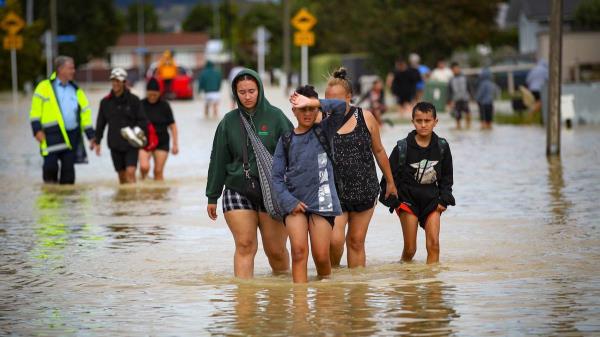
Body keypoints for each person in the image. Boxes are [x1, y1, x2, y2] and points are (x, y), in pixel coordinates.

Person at [206, 68, 291, 279]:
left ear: (260, 90)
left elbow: (295, 154)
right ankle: (244, 303)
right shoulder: (228, 122)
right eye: (242, 92)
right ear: (235, 93)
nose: (247, 96)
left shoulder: (276, 117)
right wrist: (212, 196)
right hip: (237, 189)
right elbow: (218, 160)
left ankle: (280, 300)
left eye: (251, 91)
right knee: (245, 245)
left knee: (276, 251)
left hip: (272, 189)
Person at [272, 86, 346, 283]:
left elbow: (341, 107)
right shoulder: (286, 140)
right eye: (302, 109)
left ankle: (326, 298)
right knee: (298, 252)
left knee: (321, 257)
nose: (307, 113)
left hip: (323, 202)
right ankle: (300, 304)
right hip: (295, 204)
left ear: (318, 109)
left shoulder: (325, 131)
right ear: (293, 111)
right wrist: (289, 201)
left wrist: (313, 102)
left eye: (311, 109)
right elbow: (276, 178)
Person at [325, 68, 398, 269]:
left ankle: (358, 292)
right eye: (327, 99)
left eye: (337, 99)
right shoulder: (320, 121)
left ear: (349, 97)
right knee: (334, 240)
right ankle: (334, 277)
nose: (332, 104)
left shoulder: (366, 117)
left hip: (365, 190)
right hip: (334, 193)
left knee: (356, 241)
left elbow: (380, 150)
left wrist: (390, 181)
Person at [380, 102, 455, 264]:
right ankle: (406, 282)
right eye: (419, 120)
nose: (423, 125)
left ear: (436, 121)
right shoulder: (402, 147)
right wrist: (394, 202)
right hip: (408, 200)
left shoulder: (442, 147)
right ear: (413, 121)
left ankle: (433, 285)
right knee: (410, 249)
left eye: (427, 121)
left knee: (434, 244)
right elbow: (388, 178)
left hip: (432, 200)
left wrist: (444, 199)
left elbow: (447, 178)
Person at [29, 56, 96, 184]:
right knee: (50, 170)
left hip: (71, 137)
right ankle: (50, 199)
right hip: (50, 136)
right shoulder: (44, 87)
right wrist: (36, 130)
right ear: (60, 69)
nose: (73, 71)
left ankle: (68, 203)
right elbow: (35, 111)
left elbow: (85, 115)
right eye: (70, 68)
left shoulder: (77, 91)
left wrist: (91, 136)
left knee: (68, 177)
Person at [93, 68, 148, 184]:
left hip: (131, 144)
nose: (115, 83)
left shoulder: (134, 100)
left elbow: (143, 121)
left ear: (124, 82)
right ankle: (123, 200)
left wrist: (136, 134)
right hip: (114, 144)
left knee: (131, 172)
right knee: (122, 177)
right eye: (113, 81)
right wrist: (97, 141)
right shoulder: (105, 102)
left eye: (118, 81)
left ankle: (132, 201)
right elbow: (100, 123)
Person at [139, 78, 179, 180]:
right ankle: (143, 190)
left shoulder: (165, 105)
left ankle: (159, 195)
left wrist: (175, 144)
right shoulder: (140, 105)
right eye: (150, 94)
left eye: (155, 94)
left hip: (162, 142)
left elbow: (172, 126)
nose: (152, 97)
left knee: (158, 171)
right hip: (144, 142)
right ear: (146, 92)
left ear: (159, 93)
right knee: (144, 167)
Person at [448, 62, 471, 129]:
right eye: (454, 69)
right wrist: (449, 101)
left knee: (467, 112)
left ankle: (468, 125)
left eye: (457, 68)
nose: (456, 70)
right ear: (452, 70)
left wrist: (471, 97)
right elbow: (449, 91)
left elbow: (469, 87)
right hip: (456, 99)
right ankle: (458, 126)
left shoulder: (465, 78)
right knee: (457, 114)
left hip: (465, 98)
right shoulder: (451, 80)